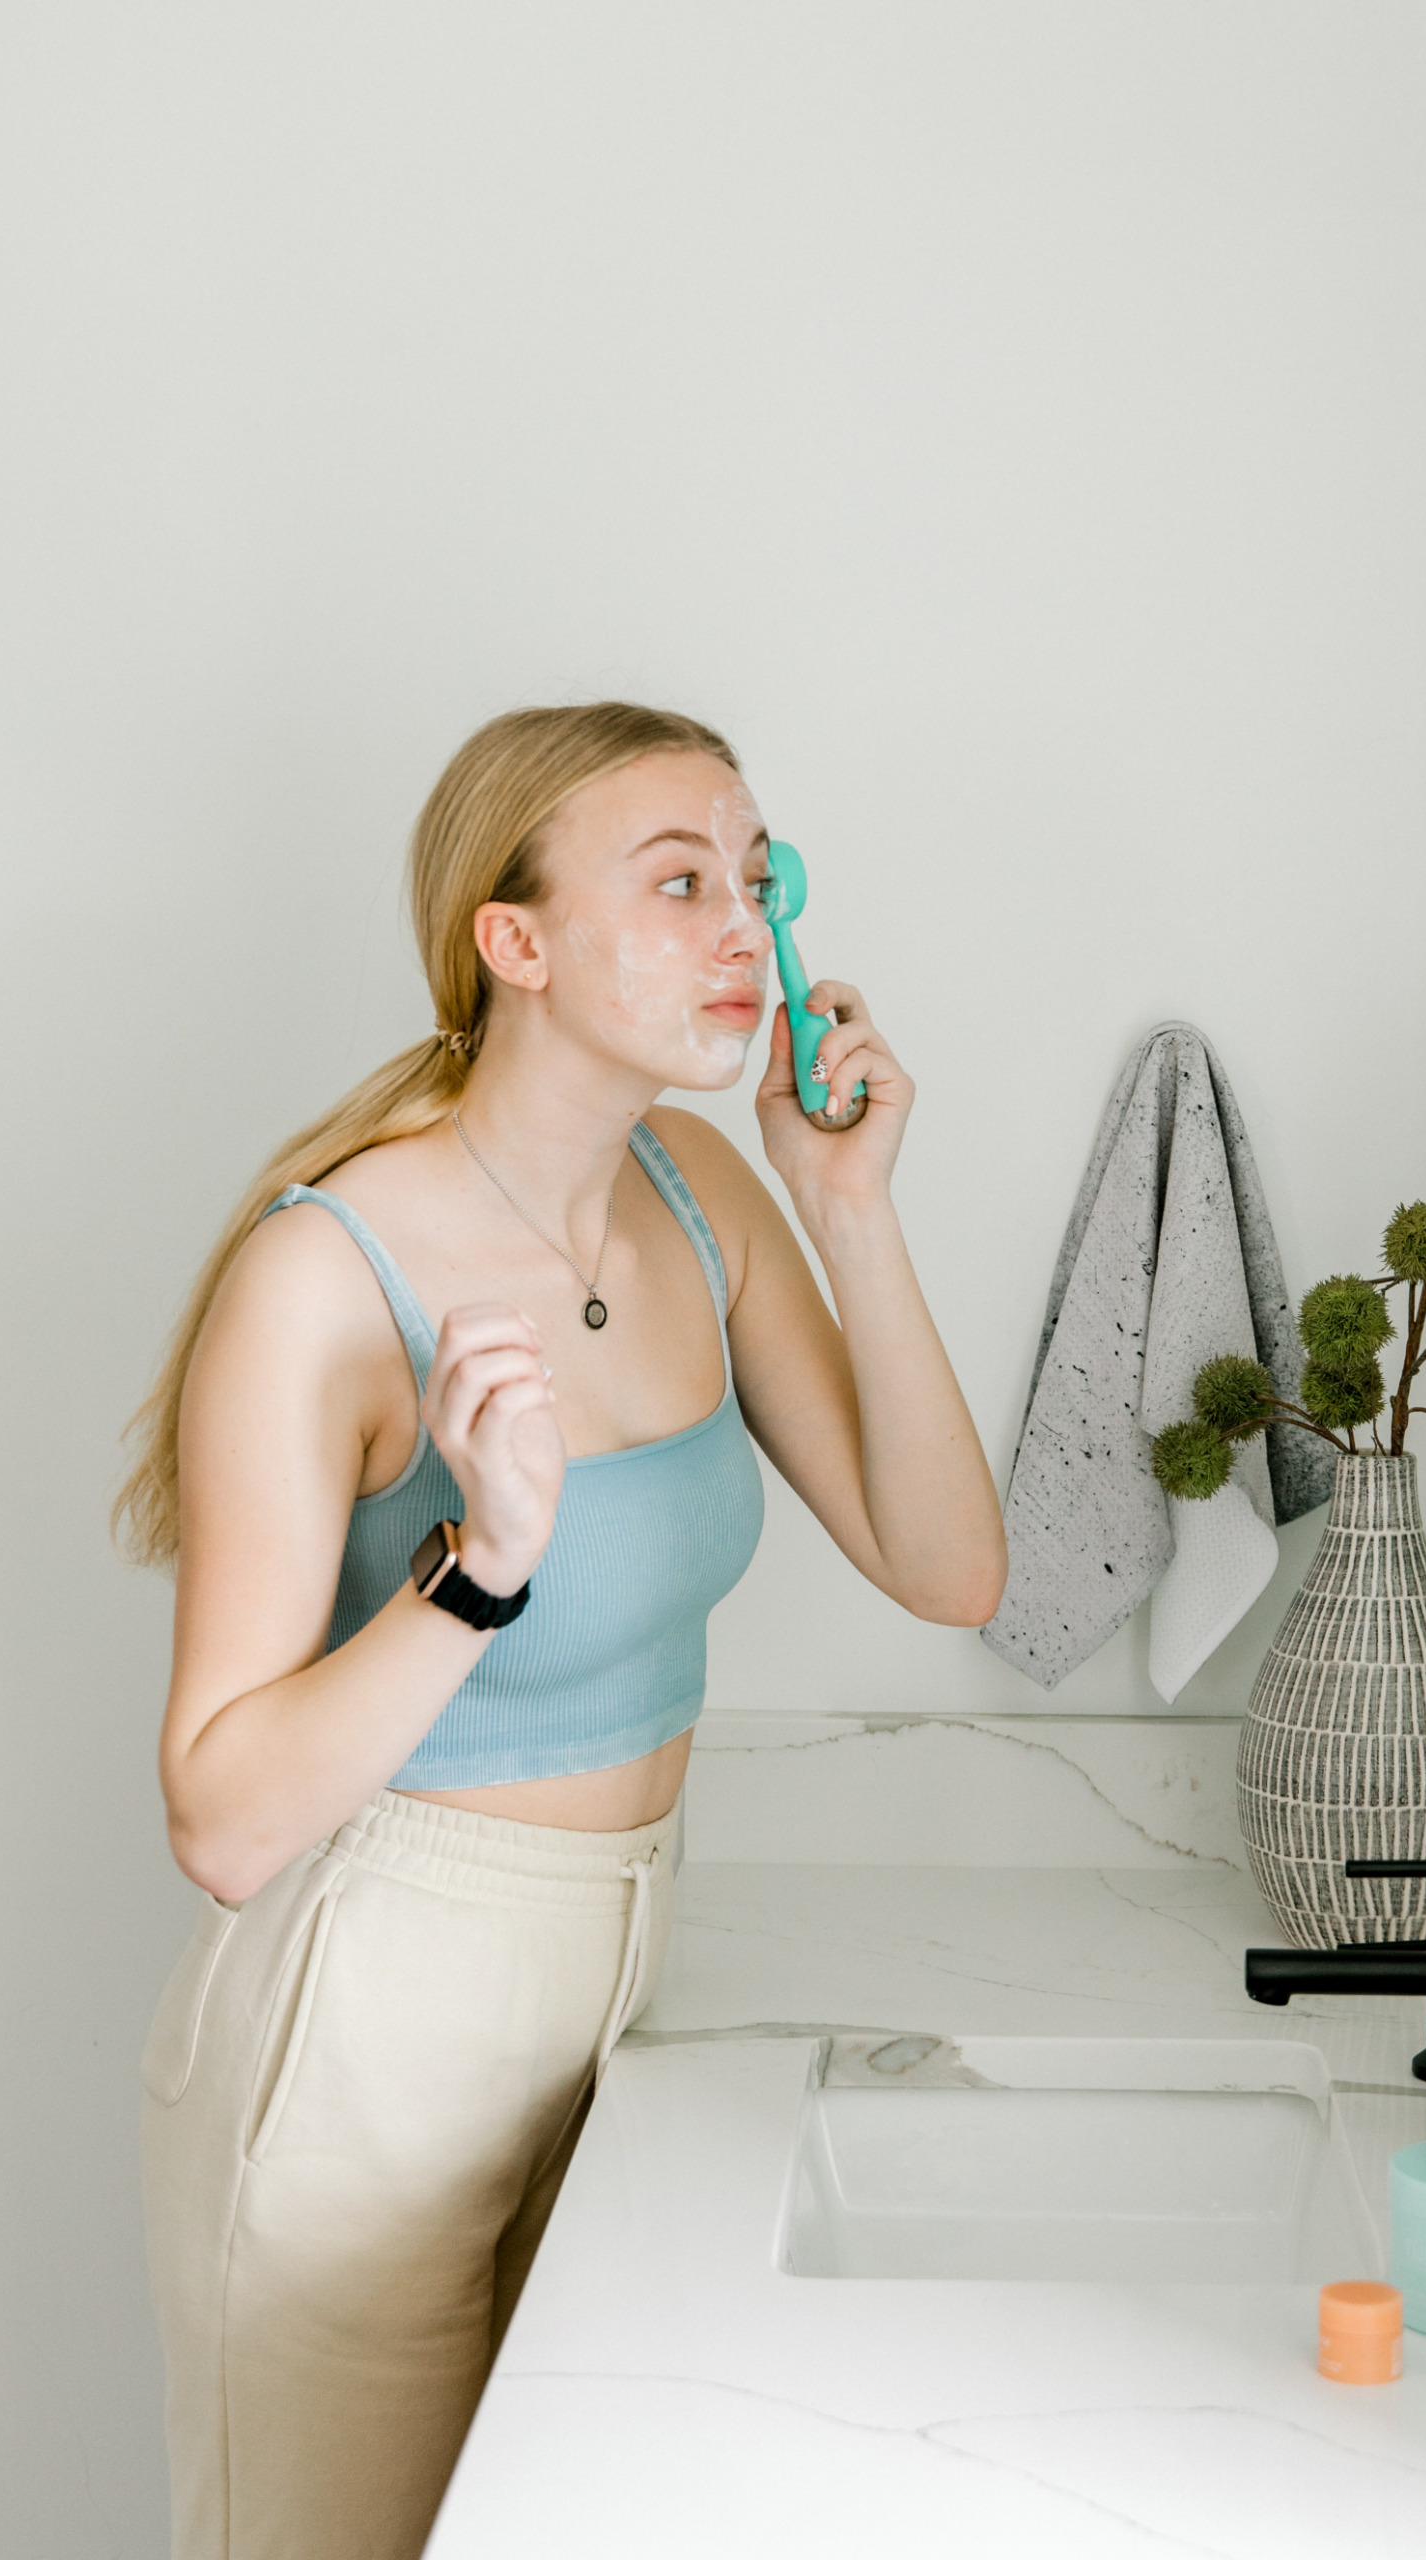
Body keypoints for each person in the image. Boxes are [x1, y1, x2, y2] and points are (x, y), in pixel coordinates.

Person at [119, 702, 1007, 2560]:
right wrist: (481, 1565)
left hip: (618, 2016)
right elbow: (223, 1821)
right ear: (511, 942)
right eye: (679, 884)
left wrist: (850, 1210)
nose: (743, 930)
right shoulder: (324, 1276)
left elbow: (949, 1571)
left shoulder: (703, 1192)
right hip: (364, 2042)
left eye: (755, 879)